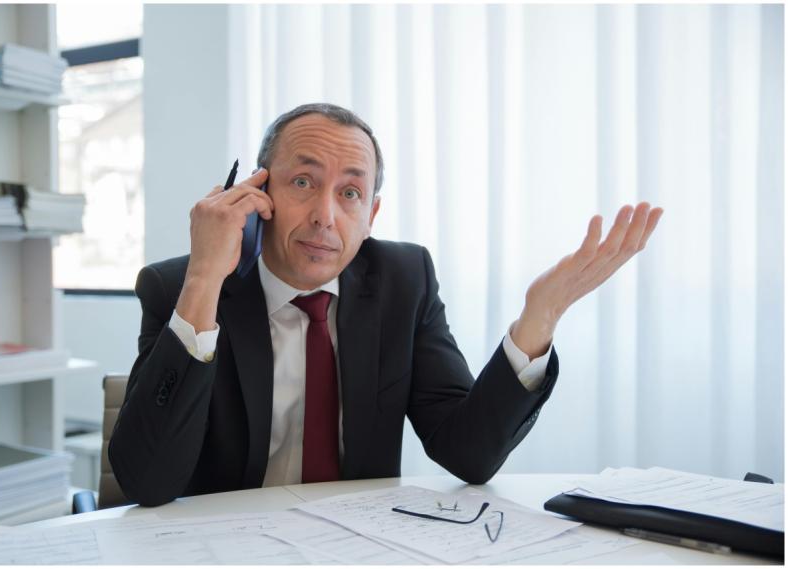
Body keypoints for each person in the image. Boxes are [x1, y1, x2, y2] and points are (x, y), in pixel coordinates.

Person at [109, 103, 662, 507]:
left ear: (371, 215)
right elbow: (147, 483)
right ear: (258, 195)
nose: (326, 216)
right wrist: (205, 278)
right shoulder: (181, 287)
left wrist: (540, 317)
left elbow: (468, 454)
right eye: (302, 181)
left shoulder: (403, 280)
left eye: (350, 193)